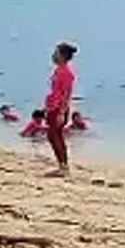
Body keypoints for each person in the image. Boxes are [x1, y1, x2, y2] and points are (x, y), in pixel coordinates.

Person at [44, 42, 79, 176]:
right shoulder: (59, 70)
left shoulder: (66, 73)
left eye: (56, 53)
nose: (53, 56)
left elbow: (66, 94)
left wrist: (62, 112)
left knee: (55, 136)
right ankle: (62, 165)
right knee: (53, 136)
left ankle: (63, 167)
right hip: (53, 107)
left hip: (59, 108)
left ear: (63, 56)